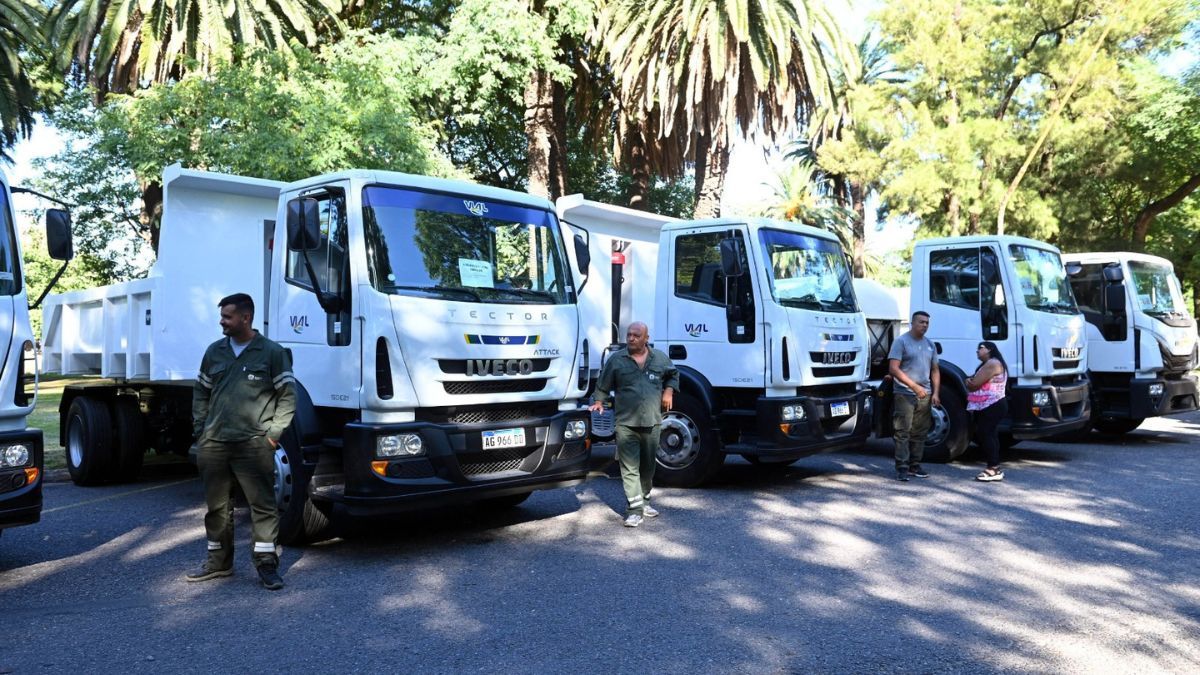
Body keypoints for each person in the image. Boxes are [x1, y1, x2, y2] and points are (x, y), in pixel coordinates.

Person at [187, 293, 296, 590]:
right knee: (216, 508)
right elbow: (201, 392)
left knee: (262, 506)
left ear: (245, 318)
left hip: (254, 444)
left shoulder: (271, 352)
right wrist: (202, 429)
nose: (222, 321)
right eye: (222, 316)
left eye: (227, 317)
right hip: (215, 444)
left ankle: (266, 566)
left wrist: (273, 436)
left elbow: (287, 397)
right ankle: (218, 564)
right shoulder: (214, 352)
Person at [589, 322, 679, 528]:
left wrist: (669, 391)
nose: (631, 338)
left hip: (652, 421)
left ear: (646, 338)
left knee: (648, 466)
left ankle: (645, 501)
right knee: (629, 468)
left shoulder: (660, 358)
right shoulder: (617, 360)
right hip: (626, 423)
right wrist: (598, 401)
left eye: (636, 335)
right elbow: (603, 384)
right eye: (629, 335)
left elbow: (673, 374)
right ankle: (634, 509)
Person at [888, 311, 940, 481]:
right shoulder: (901, 342)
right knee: (903, 431)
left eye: (927, 322)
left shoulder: (930, 344)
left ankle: (914, 465)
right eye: (921, 322)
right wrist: (914, 386)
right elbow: (893, 369)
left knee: (920, 432)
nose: (924, 325)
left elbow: (935, 370)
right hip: (904, 393)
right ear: (912, 323)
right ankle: (902, 467)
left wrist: (935, 392)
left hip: (925, 393)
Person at [966, 341, 1009, 482]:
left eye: (980, 348)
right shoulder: (991, 363)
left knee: (986, 434)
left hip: (993, 405)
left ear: (989, 349)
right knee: (989, 434)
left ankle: (993, 468)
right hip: (989, 405)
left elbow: (974, 385)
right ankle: (994, 467)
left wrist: (968, 381)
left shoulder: (992, 364)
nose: (977, 351)